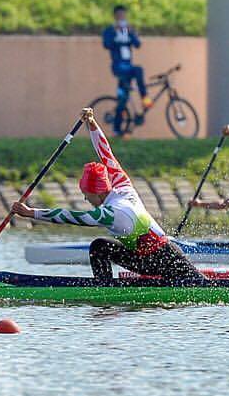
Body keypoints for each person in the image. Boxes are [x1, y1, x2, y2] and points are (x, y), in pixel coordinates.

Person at [11, 107, 203, 284]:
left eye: (87, 194)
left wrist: (31, 213)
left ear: (98, 192)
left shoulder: (109, 213)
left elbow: (70, 216)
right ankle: (105, 287)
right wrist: (92, 123)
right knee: (100, 246)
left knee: (200, 285)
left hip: (165, 259)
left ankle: (104, 290)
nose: (86, 199)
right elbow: (106, 153)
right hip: (153, 256)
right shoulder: (124, 187)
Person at [102, 5, 151, 137]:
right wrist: (115, 32)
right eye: (119, 16)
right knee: (123, 96)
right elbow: (106, 44)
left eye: (123, 15)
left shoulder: (128, 30)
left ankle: (144, 98)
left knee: (124, 96)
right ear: (115, 16)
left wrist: (132, 32)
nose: (122, 18)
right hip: (119, 67)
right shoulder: (110, 30)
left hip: (128, 67)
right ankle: (118, 129)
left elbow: (137, 44)